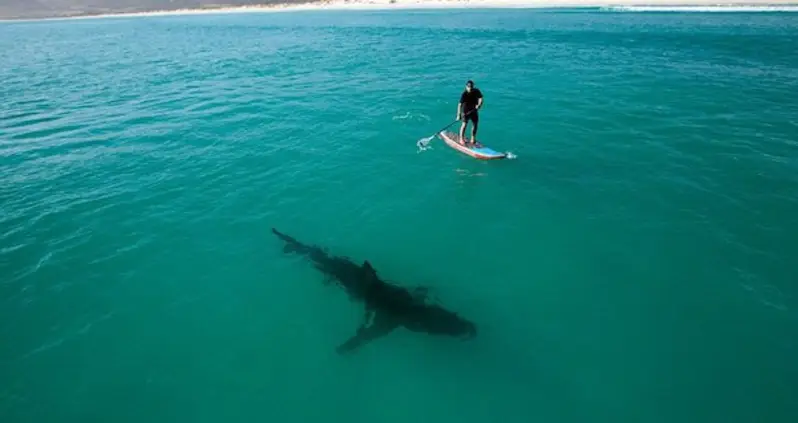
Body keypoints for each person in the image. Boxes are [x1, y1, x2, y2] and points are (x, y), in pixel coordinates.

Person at [457, 80, 483, 146]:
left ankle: (473, 138)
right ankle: (461, 139)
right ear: (466, 87)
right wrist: (458, 115)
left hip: (473, 110)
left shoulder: (476, 91)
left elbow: (481, 98)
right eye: (468, 87)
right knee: (464, 124)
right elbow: (459, 105)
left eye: (471, 87)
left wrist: (479, 105)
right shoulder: (464, 94)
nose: (470, 88)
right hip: (465, 111)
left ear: (473, 86)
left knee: (475, 124)